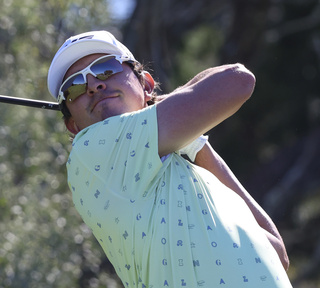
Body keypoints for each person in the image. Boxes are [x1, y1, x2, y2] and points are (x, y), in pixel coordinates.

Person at [47, 30, 292, 287]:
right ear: (73, 126)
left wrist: (195, 142)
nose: (93, 85)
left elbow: (277, 253)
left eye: (106, 68)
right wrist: (168, 109)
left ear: (147, 84)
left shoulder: (191, 171)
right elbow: (237, 80)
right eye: (74, 87)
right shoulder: (91, 148)